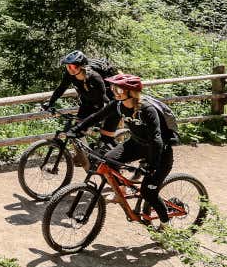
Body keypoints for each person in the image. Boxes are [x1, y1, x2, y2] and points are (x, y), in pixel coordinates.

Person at [72, 74, 178, 227]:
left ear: (131, 92)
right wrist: (77, 129)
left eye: (119, 88)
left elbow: (157, 139)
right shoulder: (118, 105)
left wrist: (152, 166)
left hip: (160, 152)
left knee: (148, 193)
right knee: (108, 161)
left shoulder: (146, 109)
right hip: (136, 144)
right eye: (113, 87)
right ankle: (121, 191)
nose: (114, 91)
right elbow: (97, 116)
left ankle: (165, 226)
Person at [43, 51, 120, 149]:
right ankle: (86, 158)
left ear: (81, 66)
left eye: (72, 67)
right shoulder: (70, 75)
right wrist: (50, 103)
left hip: (110, 105)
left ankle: (119, 155)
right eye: (68, 67)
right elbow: (60, 89)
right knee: (77, 132)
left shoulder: (94, 77)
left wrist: (98, 120)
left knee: (106, 139)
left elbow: (104, 100)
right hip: (87, 102)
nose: (70, 69)